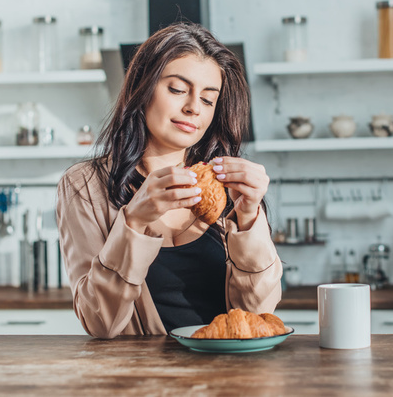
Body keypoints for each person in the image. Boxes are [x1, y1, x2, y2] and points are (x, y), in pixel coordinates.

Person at [56, 23, 282, 339]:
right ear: (141, 86)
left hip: (228, 379)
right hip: (139, 381)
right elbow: (100, 323)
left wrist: (248, 219)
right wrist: (133, 223)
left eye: (208, 99)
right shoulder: (85, 186)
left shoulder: (226, 188)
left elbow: (257, 316)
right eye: (177, 89)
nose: (193, 108)